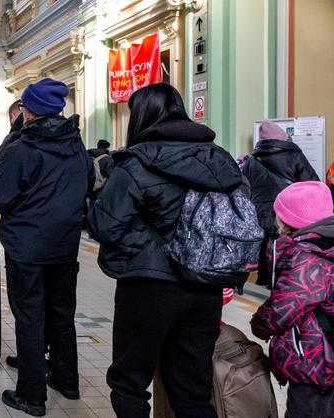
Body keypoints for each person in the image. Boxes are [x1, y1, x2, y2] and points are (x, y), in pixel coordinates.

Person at [88, 83, 238, 418]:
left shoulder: (137, 162)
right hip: (206, 285)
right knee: (193, 392)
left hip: (150, 287)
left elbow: (104, 225)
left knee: (129, 382)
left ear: (140, 117)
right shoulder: (220, 158)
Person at [0, 78, 88, 416]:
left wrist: (11, 138)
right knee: (61, 314)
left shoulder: (21, 147)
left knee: (29, 315)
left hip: (27, 246)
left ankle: (31, 394)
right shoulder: (75, 143)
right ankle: (66, 379)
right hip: (65, 245)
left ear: (27, 112)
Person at [251, 181, 334, 417]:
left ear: (291, 220)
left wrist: (259, 324)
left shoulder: (309, 257)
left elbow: (284, 306)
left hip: (316, 358)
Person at [243, 121, 319, 286]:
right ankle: (278, 280)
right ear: (282, 137)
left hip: (259, 209)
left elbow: (245, 187)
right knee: (284, 243)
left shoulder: (250, 161)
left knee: (265, 243)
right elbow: (311, 182)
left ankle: (263, 277)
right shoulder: (294, 156)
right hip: (287, 208)